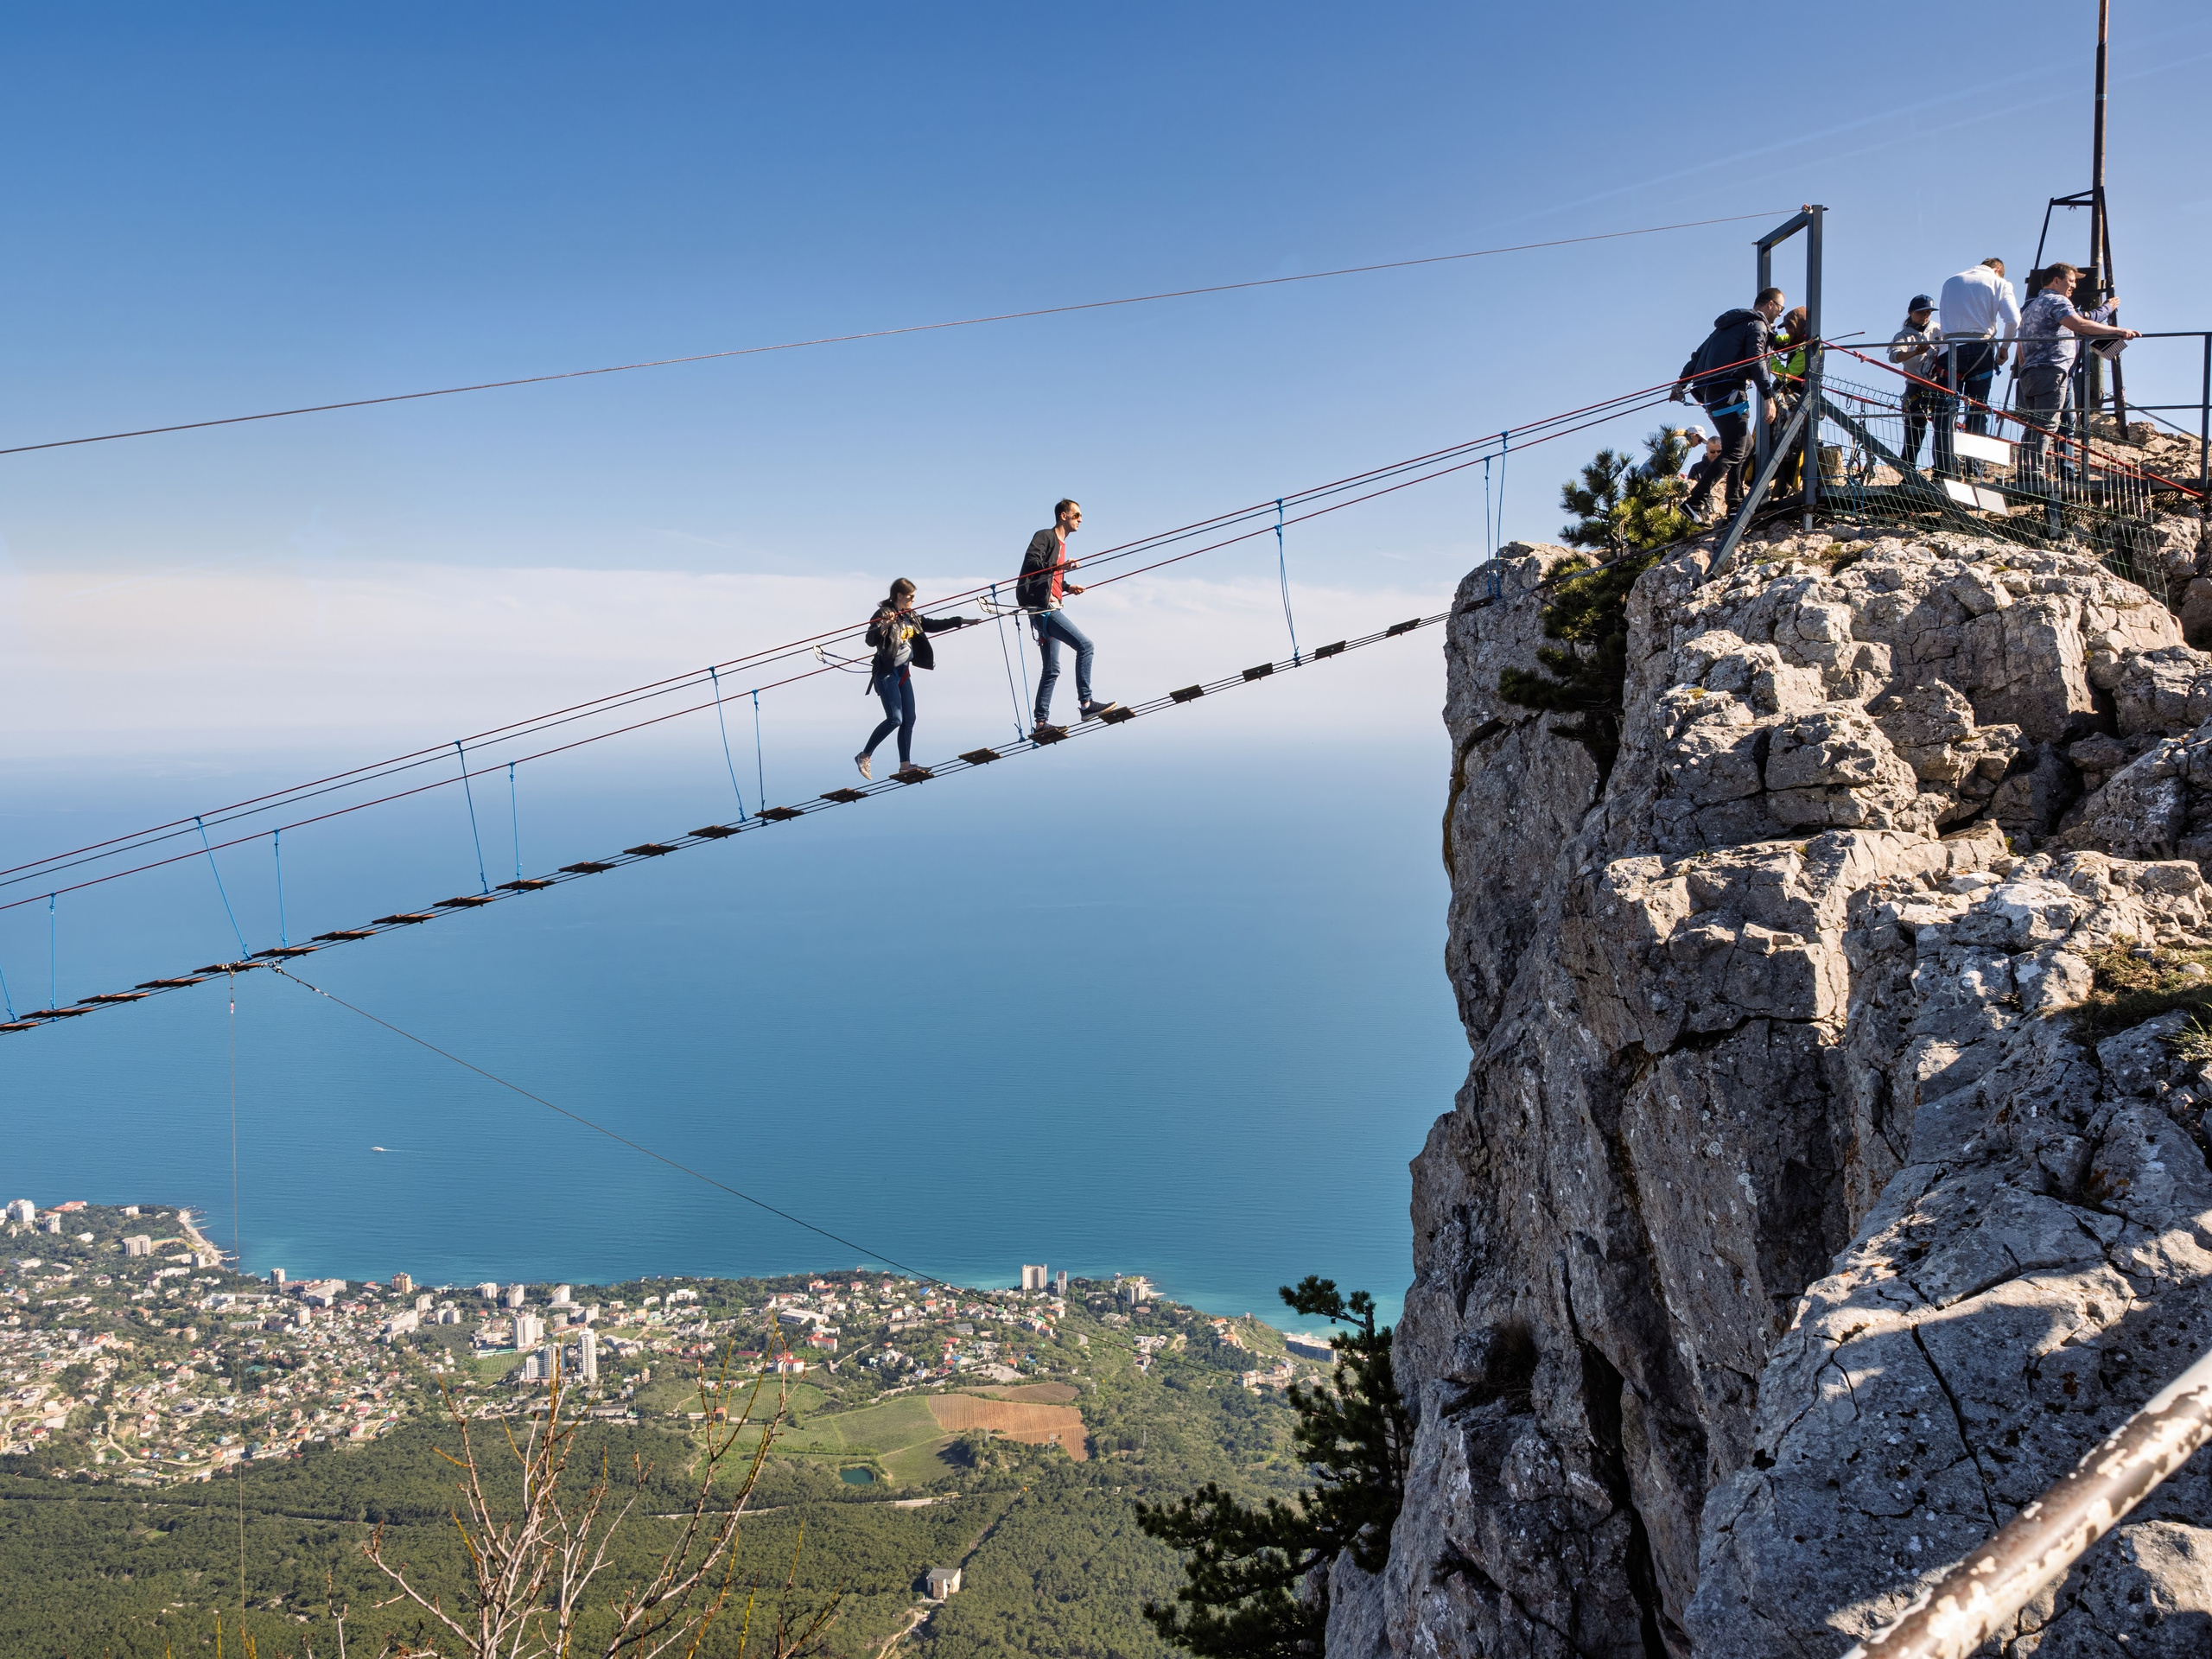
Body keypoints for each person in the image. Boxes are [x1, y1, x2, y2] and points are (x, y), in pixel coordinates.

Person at [2015, 262, 2138, 488]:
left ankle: (2026, 472)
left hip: (2032, 372)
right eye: (2071, 281)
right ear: (2056, 281)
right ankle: (2034, 476)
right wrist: (2119, 331)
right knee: (2047, 424)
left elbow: (2020, 346)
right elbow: (2079, 324)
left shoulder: (2029, 307)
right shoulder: (2057, 300)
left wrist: (2023, 370)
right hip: (2052, 370)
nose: (2073, 286)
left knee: (2035, 423)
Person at [853, 579, 976, 781]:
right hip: (886, 674)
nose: (913, 600)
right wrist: (886, 625)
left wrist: (960, 621)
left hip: (903, 673)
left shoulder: (911, 615)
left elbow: (931, 624)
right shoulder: (883, 614)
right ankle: (864, 756)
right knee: (896, 718)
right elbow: (870, 639)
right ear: (899, 595)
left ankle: (905, 766)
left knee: (909, 718)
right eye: (910, 597)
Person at [1679, 288, 1783, 523]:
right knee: (1735, 450)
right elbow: (1756, 360)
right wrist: (1768, 396)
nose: (1779, 313)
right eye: (1780, 308)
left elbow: (1697, 357)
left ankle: (1734, 504)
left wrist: (1681, 383)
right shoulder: (1757, 326)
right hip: (1730, 394)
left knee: (1745, 445)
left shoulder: (1725, 327)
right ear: (1769, 305)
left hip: (1711, 396)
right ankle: (1695, 502)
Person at [1016, 499, 1120, 735]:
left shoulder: (1061, 545)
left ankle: (1041, 724)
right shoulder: (1045, 536)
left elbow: (1050, 577)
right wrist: (1061, 565)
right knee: (1086, 646)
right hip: (1044, 610)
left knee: (1051, 669)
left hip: (1049, 606)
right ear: (1064, 516)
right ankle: (1086, 704)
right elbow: (1033, 563)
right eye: (1077, 515)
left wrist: (1067, 586)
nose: (1081, 519)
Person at [1934, 257, 2020, 471]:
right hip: (1981, 350)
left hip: (1950, 350)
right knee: (1977, 410)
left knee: (1945, 413)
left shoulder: (1951, 281)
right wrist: (2004, 350)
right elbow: (2013, 320)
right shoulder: (1999, 283)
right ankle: (1973, 467)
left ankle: (1943, 468)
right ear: (1998, 270)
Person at [1887, 294, 1944, 467]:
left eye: (1928, 312)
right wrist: (1914, 352)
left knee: (1943, 430)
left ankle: (1941, 469)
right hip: (1916, 388)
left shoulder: (1938, 330)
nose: (1925, 315)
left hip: (1939, 385)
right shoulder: (1904, 336)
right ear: (1910, 313)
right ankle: (1909, 473)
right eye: (1921, 312)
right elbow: (1894, 356)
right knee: (1914, 433)